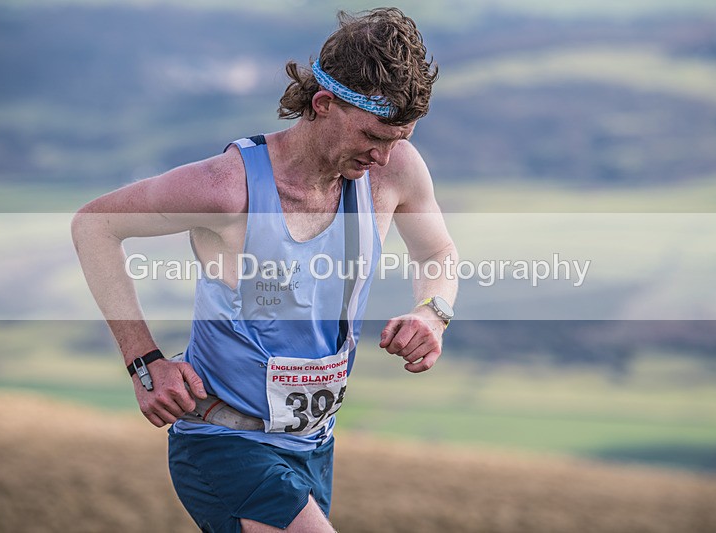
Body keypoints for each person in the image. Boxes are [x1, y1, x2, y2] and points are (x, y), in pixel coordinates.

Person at [71, 7, 457, 533]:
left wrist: (432, 312)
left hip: (314, 446)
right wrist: (144, 362)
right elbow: (94, 226)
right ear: (323, 104)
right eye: (374, 136)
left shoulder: (395, 172)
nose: (386, 156)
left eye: (398, 138)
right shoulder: (226, 188)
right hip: (223, 444)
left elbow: (438, 255)